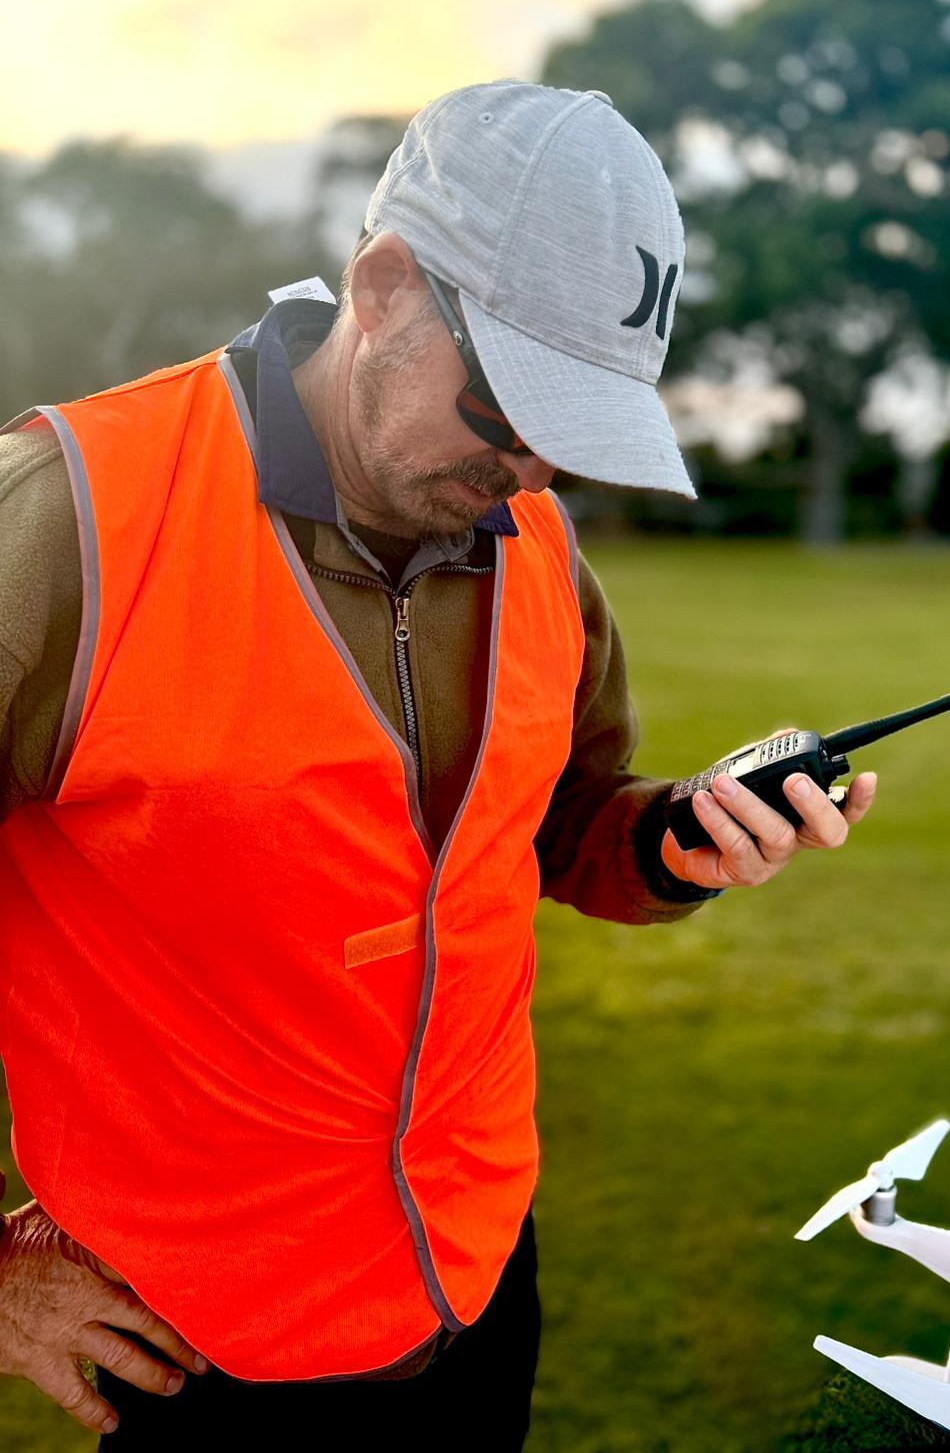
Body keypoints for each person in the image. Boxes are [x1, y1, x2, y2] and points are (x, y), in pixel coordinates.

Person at [0, 80, 877, 1450]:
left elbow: (562, 816)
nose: (531, 469)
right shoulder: (69, 523)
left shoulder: (542, 551)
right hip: (197, 1356)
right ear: (387, 288)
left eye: (571, 435)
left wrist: (666, 841)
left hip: (474, 1278)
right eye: (508, 408)